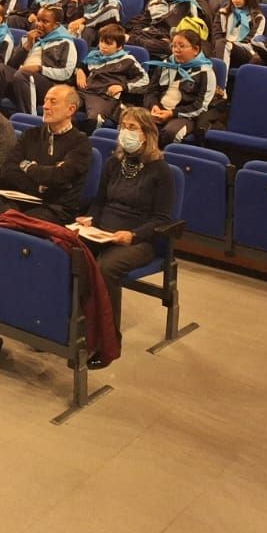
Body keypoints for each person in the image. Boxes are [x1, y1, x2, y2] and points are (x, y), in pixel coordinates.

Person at [77, 108, 174, 368]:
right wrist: (90, 221)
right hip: (104, 232)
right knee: (68, 251)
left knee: (106, 268)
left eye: (132, 128)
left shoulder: (161, 171)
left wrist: (132, 235)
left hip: (140, 241)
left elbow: (162, 220)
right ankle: (72, 328)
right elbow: (100, 202)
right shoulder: (113, 163)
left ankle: (106, 343)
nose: (125, 132)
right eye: (123, 126)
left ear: (147, 134)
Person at [0, 83, 91, 222]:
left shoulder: (81, 143)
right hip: (22, 198)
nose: (45, 106)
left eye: (53, 102)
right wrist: (37, 187)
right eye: (45, 100)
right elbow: (8, 169)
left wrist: (28, 167)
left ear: (70, 110)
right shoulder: (30, 134)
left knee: (17, 222)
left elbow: (59, 177)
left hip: (54, 207)